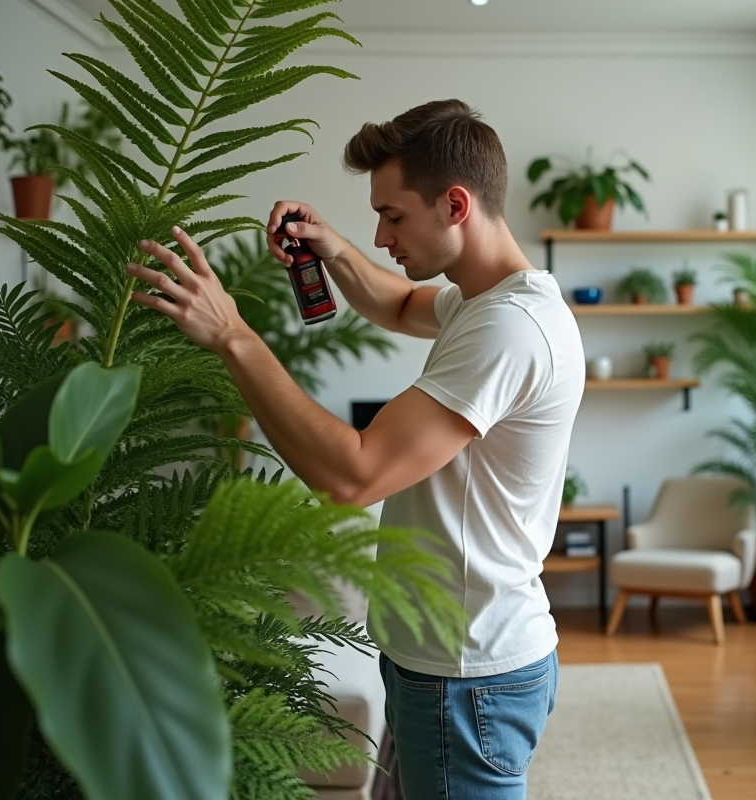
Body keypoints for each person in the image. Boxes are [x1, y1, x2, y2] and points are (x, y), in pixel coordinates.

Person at [126, 98, 585, 800]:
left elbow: (354, 473)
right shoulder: (489, 301)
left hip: (465, 674)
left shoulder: (510, 330)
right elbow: (400, 303)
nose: (380, 235)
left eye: (393, 216)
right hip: (454, 657)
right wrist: (330, 246)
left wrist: (233, 336)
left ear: (455, 204)